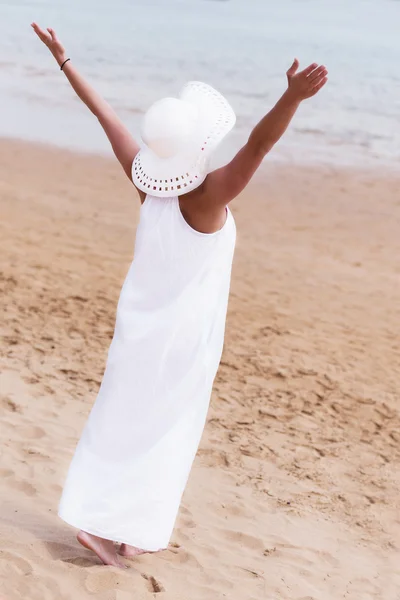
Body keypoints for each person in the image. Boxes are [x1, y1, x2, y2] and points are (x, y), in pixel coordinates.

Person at [31, 22, 328, 568]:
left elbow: (106, 117)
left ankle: (114, 525)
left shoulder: (146, 184)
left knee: (121, 424)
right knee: (168, 433)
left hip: (137, 330)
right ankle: (117, 531)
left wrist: (65, 61)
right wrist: (292, 97)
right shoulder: (209, 196)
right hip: (184, 340)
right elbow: (259, 144)